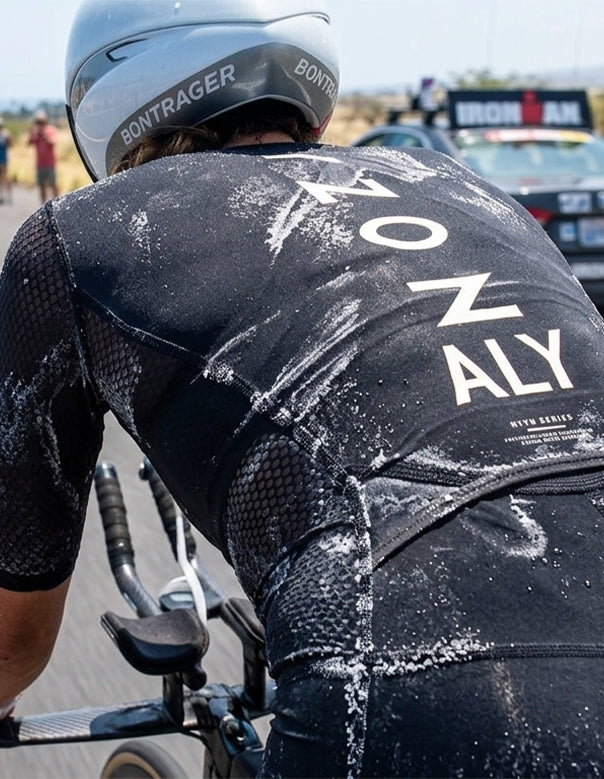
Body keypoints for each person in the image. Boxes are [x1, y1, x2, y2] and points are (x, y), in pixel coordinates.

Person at [0, 1, 603, 776]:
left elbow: (15, 636)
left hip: (419, 685)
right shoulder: (467, 188)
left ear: (109, 95)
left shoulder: (76, 234)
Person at [27, 109, 59, 203]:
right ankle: (43, 205)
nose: (40, 124)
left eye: (41, 122)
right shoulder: (35, 132)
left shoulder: (50, 130)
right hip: (40, 164)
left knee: (53, 184)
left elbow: (52, 142)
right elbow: (29, 143)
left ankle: (57, 203)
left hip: (50, 163)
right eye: (38, 122)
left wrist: (43, 134)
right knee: (41, 185)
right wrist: (32, 133)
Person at [0, 118, 12, 204]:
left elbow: (10, 144)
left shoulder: (5, 134)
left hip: (3, 158)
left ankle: (8, 195)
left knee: (5, 177)